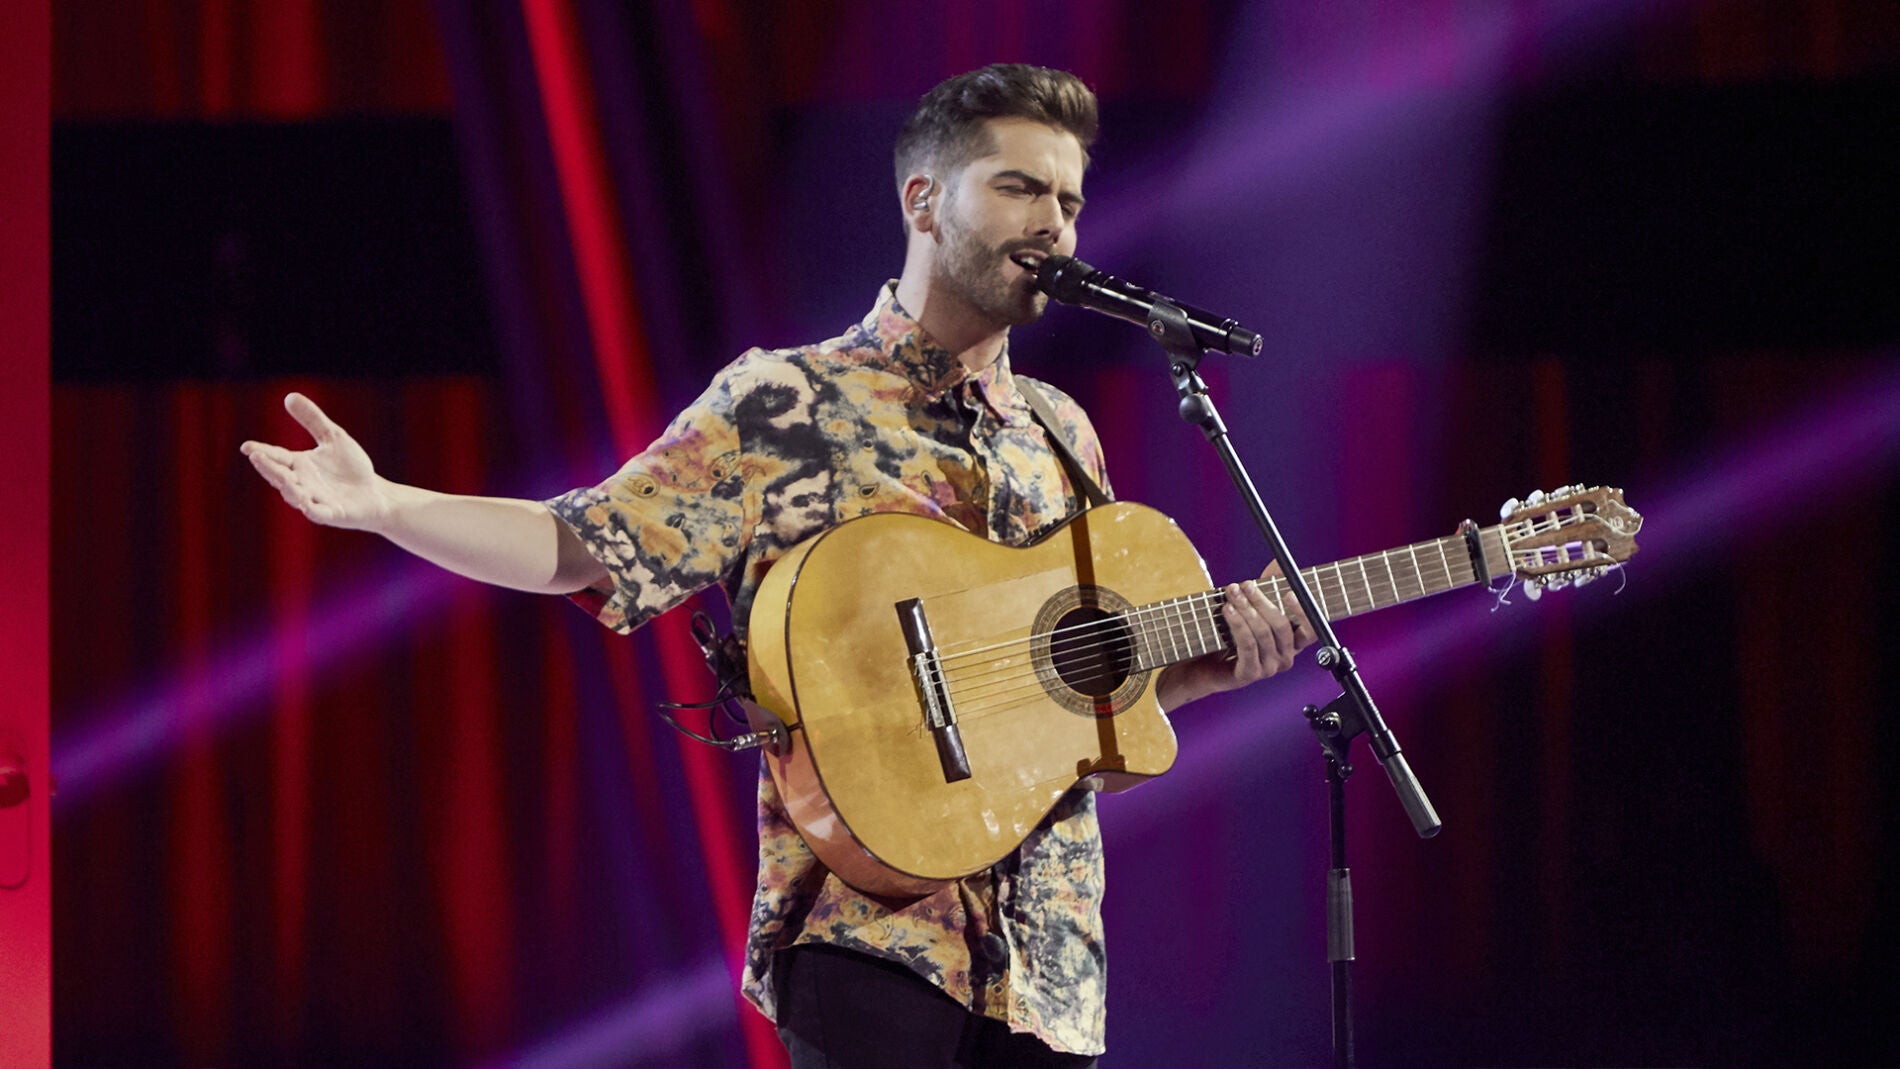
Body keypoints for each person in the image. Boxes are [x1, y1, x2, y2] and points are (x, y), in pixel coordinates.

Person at [243, 63, 1313, 1069]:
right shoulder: (788, 402)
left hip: (1050, 967)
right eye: (1019, 187)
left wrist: (1198, 668)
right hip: (868, 942)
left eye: (1071, 201)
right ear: (925, 200)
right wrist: (389, 506)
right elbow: (585, 540)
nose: (1053, 222)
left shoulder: (1062, 435)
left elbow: (1071, 702)